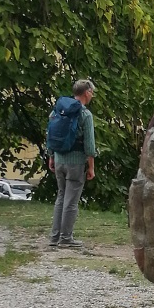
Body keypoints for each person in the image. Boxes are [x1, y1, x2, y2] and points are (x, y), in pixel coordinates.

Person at [48, 79, 96, 250]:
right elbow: (89, 145)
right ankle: (66, 238)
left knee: (61, 197)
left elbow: (50, 134)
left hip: (59, 159)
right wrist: (91, 167)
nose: (92, 95)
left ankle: (54, 236)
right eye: (92, 92)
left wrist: (51, 156)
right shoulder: (85, 114)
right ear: (87, 92)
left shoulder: (58, 110)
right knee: (71, 201)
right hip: (75, 163)